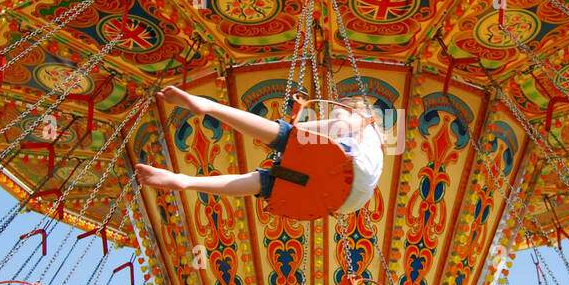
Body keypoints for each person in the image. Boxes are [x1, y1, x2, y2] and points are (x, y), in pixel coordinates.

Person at [134, 86, 384, 215]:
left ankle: (209, 106)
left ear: (357, 110)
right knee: (267, 183)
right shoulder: (376, 146)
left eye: (338, 109)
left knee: (285, 136)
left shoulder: (360, 120)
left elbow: (337, 124)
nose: (334, 115)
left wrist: (298, 128)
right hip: (344, 200)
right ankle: (185, 181)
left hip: (345, 173)